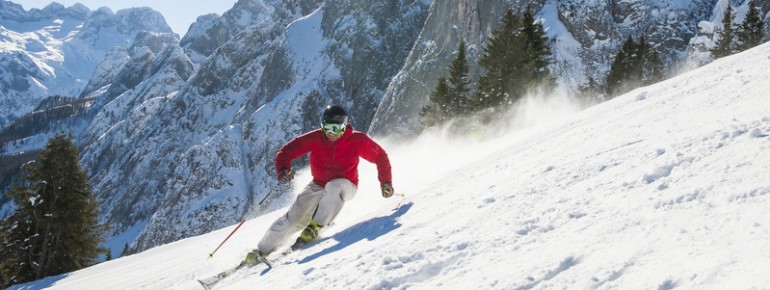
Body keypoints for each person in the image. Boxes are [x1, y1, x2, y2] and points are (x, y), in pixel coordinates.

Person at [245, 105, 393, 265]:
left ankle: (316, 226)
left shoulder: (357, 140)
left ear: (344, 127)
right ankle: (263, 249)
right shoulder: (316, 138)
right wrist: (283, 170)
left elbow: (380, 157)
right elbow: (285, 152)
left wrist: (386, 183)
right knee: (294, 217)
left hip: (346, 185)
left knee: (334, 187)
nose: (330, 133)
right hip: (318, 184)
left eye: (335, 128)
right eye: (326, 127)